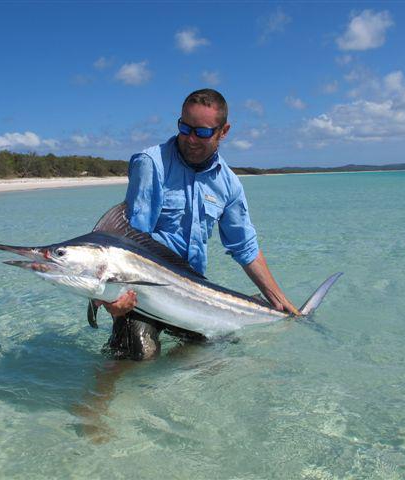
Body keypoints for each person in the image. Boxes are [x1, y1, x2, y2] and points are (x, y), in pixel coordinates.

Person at [97, 88, 300, 360]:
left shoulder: (228, 183)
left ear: (223, 131)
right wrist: (110, 295)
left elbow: (245, 248)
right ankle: (94, 403)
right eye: (185, 128)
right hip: (144, 290)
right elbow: (131, 241)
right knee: (137, 357)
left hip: (192, 292)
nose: (191, 139)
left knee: (220, 353)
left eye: (202, 132)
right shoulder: (151, 164)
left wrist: (279, 300)